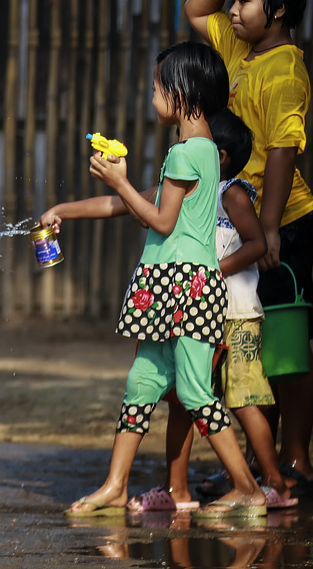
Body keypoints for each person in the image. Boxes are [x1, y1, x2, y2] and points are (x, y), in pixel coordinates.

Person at [39, 41, 266, 519]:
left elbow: (158, 220)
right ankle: (115, 485)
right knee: (143, 382)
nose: (153, 93)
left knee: (195, 391)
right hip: (173, 285)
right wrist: (64, 211)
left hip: (185, 286)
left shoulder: (189, 153)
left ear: (185, 92)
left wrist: (118, 181)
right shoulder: (196, 151)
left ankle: (248, 489)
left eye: (158, 86)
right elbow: (128, 206)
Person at [184, 0, 313, 501]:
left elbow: (284, 153)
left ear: (279, 10)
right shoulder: (240, 48)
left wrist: (264, 232)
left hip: (280, 222)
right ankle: (262, 464)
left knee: (283, 344)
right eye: (233, 1)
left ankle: (296, 460)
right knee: (240, 342)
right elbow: (195, 8)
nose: (231, 11)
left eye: (244, 1)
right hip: (240, 218)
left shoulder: (285, 71)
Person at [126, 110, 297, 513]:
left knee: (242, 396)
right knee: (185, 398)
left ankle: (273, 483)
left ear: (216, 156)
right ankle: (176, 489)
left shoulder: (230, 193)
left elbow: (256, 243)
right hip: (196, 311)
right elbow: (128, 203)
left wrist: (212, 271)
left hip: (234, 312)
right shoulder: (186, 192)